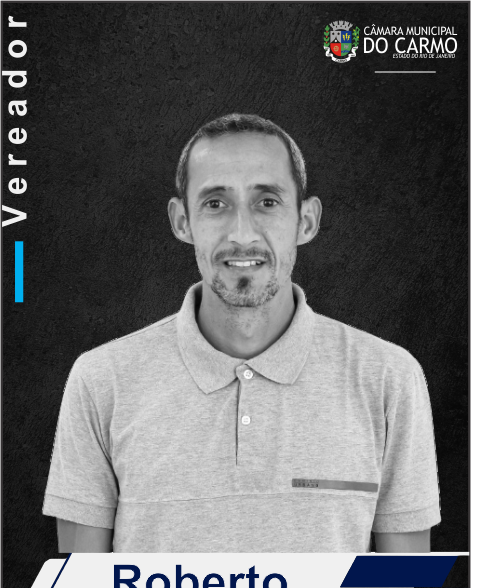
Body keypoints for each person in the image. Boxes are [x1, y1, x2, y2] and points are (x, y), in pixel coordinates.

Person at [43, 113, 441, 553]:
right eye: (215, 203)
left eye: (267, 201)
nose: (242, 234)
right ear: (182, 221)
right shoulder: (101, 382)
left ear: (306, 221)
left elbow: (404, 586)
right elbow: (82, 587)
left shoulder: (389, 379)